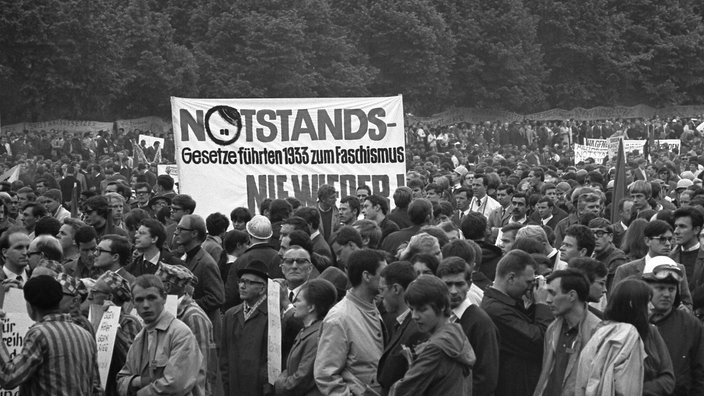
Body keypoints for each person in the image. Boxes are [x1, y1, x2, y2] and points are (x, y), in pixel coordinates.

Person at [0, 275, 101, 395]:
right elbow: (96, 388)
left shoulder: (39, 334)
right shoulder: (85, 335)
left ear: (30, 306)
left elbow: (9, 377)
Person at [575, 279, 675, 395]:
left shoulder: (651, 332)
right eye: (647, 302)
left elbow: (668, 379)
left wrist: (638, 390)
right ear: (632, 304)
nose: (652, 307)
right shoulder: (603, 335)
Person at [481, 250, 554, 396]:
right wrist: (541, 304)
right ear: (511, 278)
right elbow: (541, 341)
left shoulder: (505, 304)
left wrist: (532, 304)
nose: (530, 287)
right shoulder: (496, 311)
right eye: (528, 282)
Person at [388, 275, 476, 396]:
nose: (414, 316)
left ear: (442, 306)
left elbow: (403, 391)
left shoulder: (436, 348)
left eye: (422, 309)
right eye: (412, 309)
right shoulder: (456, 333)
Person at [117, 274, 204, 395]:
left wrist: (138, 390)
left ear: (164, 298)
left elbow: (174, 385)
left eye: (151, 298)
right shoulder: (140, 338)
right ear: (133, 303)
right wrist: (142, 381)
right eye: (139, 300)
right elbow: (121, 381)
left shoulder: (180, 334)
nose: (146, 305)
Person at [315, 249, 387, 395]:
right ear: (366, 276)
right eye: (383, 275)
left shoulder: (372, 306)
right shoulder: (339, 318)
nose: (388, 280)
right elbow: (325, 375)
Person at [437, 257, 499, 396]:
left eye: (459, 284)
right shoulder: (438, 317)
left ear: (469, 284)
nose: (453, 291)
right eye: (448, 284)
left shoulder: (481, 324)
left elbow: (486, 379)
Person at [533, 269, 600, 396]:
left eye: (553, 293)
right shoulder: (552, 329)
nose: (547, 300)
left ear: (572, 296)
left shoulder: (598, 332)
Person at [644, 256, 704, 396]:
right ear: (645, 287)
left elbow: (700, 373)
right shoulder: (634, 322)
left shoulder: (691, 324)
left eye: (671, 289)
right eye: (660, 288)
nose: (666, 294)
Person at [156, 263, 218, 396]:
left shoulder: (194, 317)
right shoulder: (167, 312)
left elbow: (202, 366)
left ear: (167, 287)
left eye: (156, 284)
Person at [221, 260, 277, 396]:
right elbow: (223, 357)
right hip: (233, 387)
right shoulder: (230, 314)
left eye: (249, 282)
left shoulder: (273, 316)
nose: (242, 286)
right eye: (241, 281)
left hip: (259, 388)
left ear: (262, 288)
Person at [274, 279, 338, 396]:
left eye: (298, 300)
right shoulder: (306, 330)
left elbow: (301, 379)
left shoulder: (317, 336)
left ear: (311, 307)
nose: (294, 304)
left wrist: (279, 383)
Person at [613, 220, 693, 308]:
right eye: (662, 239)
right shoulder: (626, 270)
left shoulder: (679, 268)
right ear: (647, 241)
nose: (667, 244)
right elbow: (614, 303)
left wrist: (685, 309)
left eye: (670, 239)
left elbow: (687, 302)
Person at [377, 261, 426, 395]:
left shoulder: (417, 329)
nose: (380, 297)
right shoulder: (401, 323)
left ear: (396, 289)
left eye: (382, 290)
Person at [588, 217, 627, 292]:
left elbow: (613, 292)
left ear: (610, 237)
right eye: (592, 233)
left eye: (600, 233)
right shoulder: (592, 255)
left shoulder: (617, 258)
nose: (595, 237)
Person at [671, 206, 704, 292]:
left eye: (682, 226)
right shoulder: (669, 257)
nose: (676, 231)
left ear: (696, 230)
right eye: (676, 226)